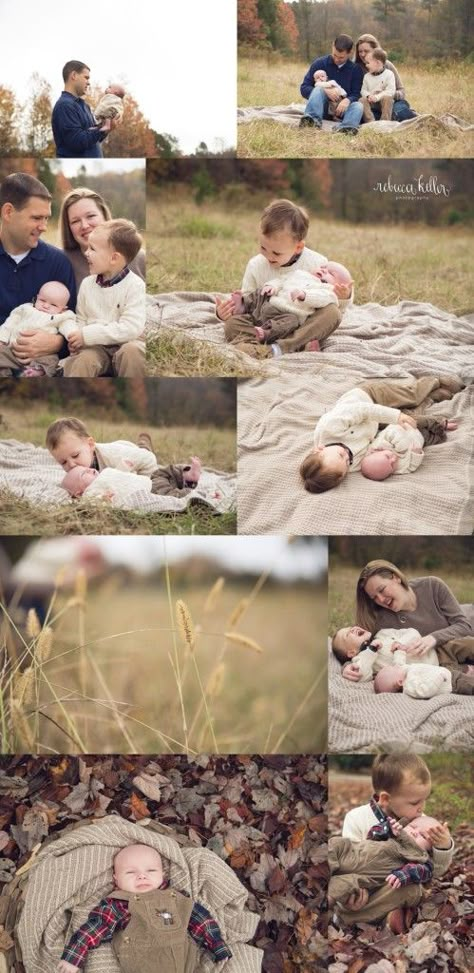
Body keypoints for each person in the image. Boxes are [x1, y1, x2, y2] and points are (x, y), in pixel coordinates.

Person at [57, 843, 232, 971]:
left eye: (151, 871)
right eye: (131, 872)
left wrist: (217, 945)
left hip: (185, 964)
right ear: (116, 879)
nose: (142, 876)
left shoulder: (176, 898)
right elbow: (94, 928)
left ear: (163, 875)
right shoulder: (118, 904)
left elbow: (202, 921)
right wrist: (74, 957)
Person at [215, 199, 352, 357]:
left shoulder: (317, 263)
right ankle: (292, 345)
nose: (268, 256)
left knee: (333, 313)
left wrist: (343, 297)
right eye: (263, 247)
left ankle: (281, 348)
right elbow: (249, 300)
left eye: (277, 253)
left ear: (298, 247)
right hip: (265, 323)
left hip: (299, 323)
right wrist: (225, 311)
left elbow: (329, 296)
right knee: (232, 325)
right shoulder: (255, 265)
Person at [339, 755, 454, 931]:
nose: (422, 808)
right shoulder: (357, 818)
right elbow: (348, 862)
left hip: (398, 886)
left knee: (412, 889)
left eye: (425, 799)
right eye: (415, 802)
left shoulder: (421, 822)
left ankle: (388, 917)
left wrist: (442, 846)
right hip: (369, 891)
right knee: (343, 890)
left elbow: (434, 871)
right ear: (385, 799)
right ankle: (356, 917)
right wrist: (354, 892)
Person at [299, 375, 463, 493]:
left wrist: (396, 416)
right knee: (410, 420)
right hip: (374, 427)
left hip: (368, 399)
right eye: (346, 464)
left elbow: (364, 411)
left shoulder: (329, 427)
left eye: (342, 454)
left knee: (411, 397)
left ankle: (434, 380)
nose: (348, 458)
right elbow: (380, 449)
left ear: (319, 449)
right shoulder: (350, 466)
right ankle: (434, 397)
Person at [59, 187, 145, 376]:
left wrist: (86, 335)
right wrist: (77, 338)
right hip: (94, 347)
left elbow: (132, 326)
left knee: (133, 352)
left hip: (128, 343)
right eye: (75, 221)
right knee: (85, 360)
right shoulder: (86, 283)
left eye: (90, 216)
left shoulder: (135, 282)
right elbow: (80, 318)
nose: (84, 225)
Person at [355, 560, 474, 691]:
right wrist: (349, 668)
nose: (381, 600)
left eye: (382, 590)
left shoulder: (432, 586)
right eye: (374, 598)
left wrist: (432, 638)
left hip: (466, 630)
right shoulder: (382, 620)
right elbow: (359, 649)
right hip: (445, 660)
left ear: (396, 577)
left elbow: (464, 625)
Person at [0, 173, 76, 373]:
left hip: (41, 368)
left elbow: (73, 321)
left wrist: (56, 343)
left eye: (46, 218)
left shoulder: (58, 263)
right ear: (8, 212)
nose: (43, 227)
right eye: (36, 218)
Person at [46, 418, 203, 499]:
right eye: (63, 462)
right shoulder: (76, 473)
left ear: (90, 445)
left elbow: (147, 460)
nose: (71, 465)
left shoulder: (112, 455)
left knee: (151, 462)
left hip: (136, 458)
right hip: (128, 461)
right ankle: (143, 442)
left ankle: (184, 473)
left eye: (75, 456)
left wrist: (147, 483)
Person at [223, 260, 351, 358]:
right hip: (267, 309)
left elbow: (322, 298)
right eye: (323, 267)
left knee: (333, 313)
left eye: (330, 273)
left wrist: (305, 295)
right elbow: (282, 280)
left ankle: (276, 349)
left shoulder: (328, 290)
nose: (323, 270)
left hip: (288, 322)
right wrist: (271, 286)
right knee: (232, 323)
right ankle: (244, 307)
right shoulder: (299, 273)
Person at [329, 813, 443, 908]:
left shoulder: (420, 856)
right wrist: (387, 828)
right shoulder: (392, 834)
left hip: (366, 877)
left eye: (422, 836)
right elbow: (372, 834)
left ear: (429, 849)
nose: (414, 832)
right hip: (353, 853)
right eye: (413, 827)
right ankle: (324, 870)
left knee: (344, 885)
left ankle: (327, 900)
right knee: (337, 843)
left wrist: (404, 874)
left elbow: (423, 871)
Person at [0, 281, 75, 376]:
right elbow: (10, 323)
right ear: (36, 297)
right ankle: (5, 374)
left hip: (42, 354)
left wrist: (73, 338)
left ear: (63, 309)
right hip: (13, 350)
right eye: (42, 300)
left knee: (52, 360)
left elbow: (70, 328)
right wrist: (1, 339)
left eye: (53, 305)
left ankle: (37, 370)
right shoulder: (25, 309)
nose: (46, 306)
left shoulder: (62, 317)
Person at [61, 457, 202, 502]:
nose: (91, 469)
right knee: (170, 495)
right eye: (84, 474)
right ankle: (192, 494)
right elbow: (93, 502)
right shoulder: (90, 493)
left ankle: (187, 475)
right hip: (149, 492)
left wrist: (124, 466)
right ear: (79, 493)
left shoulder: (104, 474)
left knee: (162, 472)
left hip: (150, 481)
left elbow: (117, 474)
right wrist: (103, 499)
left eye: (88, 468)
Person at [299, 35, 363, 134]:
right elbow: (304, 88)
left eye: (341, 57)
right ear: (332, 46)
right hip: (322, 108)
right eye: (334, 55)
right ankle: (312, 121)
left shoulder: (356, 70)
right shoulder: (319, 63)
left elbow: (356, 93)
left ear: (350, 53)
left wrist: (347, 100)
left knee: (358, 105)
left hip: (341, 111)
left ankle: (346, 128)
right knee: (318, 89)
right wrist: (325, 91)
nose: (337, 59)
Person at [52, 60, 115, 158]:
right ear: (74, 75)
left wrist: (107, 128)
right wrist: (101, 130)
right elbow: (77, 141)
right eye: (86, 77)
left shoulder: (85, 106)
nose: (89, 82)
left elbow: (93, 139)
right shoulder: (64, 105)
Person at [360, 417, 456, 481]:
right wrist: (416, 454)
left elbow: (394, 432)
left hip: (410, 426)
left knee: (428, 422)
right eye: (391, 466)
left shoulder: (380, 444)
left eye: (387, 456)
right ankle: (442, 432)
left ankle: (442, 424)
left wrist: (401, 448)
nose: (394, 459)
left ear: (374, 452)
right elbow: (411, 467)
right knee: (440, 438)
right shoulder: (398, 469)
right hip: (420, 439)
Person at [355, 34, 416, 122]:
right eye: (360, 51)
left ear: (375, 51)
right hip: (371, 106)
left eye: (366, 51)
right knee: (361, 114)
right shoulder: (356, 68)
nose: (363, 54)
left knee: (399, 111)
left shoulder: (387, 66)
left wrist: (384, 94)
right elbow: (359, 92)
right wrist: (370, 96)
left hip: (391, 103)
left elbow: (401, 92)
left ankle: (411, 117)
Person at [359, 48, 396, 122]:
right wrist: (368, 96)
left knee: (387, 98)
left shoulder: (389, 74)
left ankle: (385, 122)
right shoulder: (367, 76)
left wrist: (377, 97)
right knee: (361, 100)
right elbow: (363, 90)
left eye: (368, 63)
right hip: (371, 103)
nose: (366, 65)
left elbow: (391, 91)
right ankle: (370, 121)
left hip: (383, 103)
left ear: (378, 63)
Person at [373, 663, 454, 697]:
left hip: (445, 673)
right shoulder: (410, 686)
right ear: (400, 682)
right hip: (449, 682)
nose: (396, 665)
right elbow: (425, 691)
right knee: (466, 683)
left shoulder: (404, 673)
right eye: (394, 667)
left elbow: (400, 662)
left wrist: (399, 651)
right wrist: (439, 677)